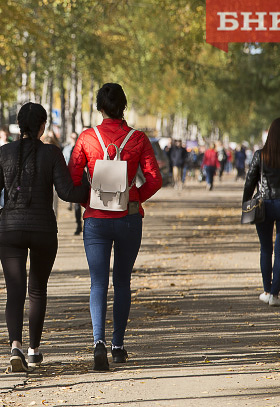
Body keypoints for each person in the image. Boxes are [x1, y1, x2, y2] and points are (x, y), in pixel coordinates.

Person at [0, 102, 89, 372]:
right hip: (43, 231)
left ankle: (15, 346)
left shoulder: (4, 152)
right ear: (42, 127)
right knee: (37, 289)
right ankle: (33, 351)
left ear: (20, 126)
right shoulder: (52, 153)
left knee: (14, 291)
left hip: (11, 231)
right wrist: (90, 186)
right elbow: (67, 193)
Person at [68, 83, 162, 371]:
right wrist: (133, 199)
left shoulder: (86, 138)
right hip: (129, 218)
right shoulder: (138, 138)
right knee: (122, 282)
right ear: (124, 107)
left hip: (96, 219)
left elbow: (73, 177)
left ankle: (98, 343)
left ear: (99, 107)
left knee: (98, 282)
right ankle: (118, 346)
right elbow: (155, 179)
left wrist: (88, 201)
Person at [242, 118, 280, 306]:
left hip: (264, 206)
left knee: (266, 248)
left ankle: (266, 290)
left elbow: (249, 181)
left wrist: (246, 203)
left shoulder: (261, 155)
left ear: (270, 134)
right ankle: (274, 295)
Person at [63, 132, 82, 234]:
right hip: (75, 179)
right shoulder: (69, 149)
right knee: (77, 205)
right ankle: (79, 225)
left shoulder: (79, 148)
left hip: (82, 179)